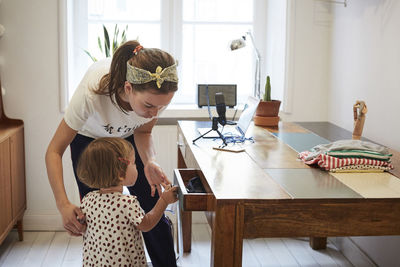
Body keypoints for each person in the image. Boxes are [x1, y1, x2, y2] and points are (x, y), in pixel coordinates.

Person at [45, 40, 179, 266]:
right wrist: (63, 205)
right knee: (95, 219)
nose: (154, 113)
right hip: (88, 142)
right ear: (129, 89)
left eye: (160, 107)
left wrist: (149, 161)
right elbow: (53, 151)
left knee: (152, 204)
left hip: (128, 138)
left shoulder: (154, 96)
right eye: (149, 106)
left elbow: (144, 132)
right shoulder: (91, 94)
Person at [76, 137, 178, 266]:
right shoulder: (126, 203)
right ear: (120, 173)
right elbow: (146, 224)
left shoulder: (88, 199)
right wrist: (164, 200)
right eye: (134, 163)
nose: (137, 168)